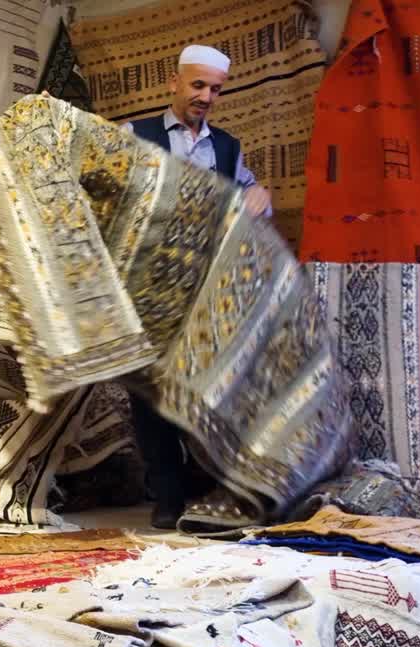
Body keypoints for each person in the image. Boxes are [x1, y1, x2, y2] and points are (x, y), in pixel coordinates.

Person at [122, 44, 274, 529]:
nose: (206, 96)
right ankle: (168, 495)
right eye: (198, 85)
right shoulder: (135, 136)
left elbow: (252, 194)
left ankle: (206, 487)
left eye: (215, 88)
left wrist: (258, 195)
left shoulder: (226, 147)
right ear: (174, 82)